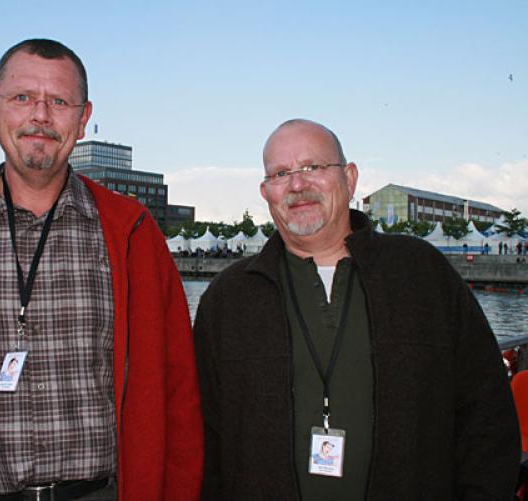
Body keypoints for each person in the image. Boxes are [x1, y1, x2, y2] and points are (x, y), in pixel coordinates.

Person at [0, 38, 203, 501]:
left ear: (82, 120)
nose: (40, 116)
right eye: (22, 98)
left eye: (59, 102)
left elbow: (178, 394)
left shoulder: (133, 234)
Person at [193, 118, 520, 500]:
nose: (298, 185)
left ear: (350, 178)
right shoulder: (228, 297)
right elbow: (204, 436)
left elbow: (485, 415)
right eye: (281, 173)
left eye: (314, 167)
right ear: (266, 192)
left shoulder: (422, 274)